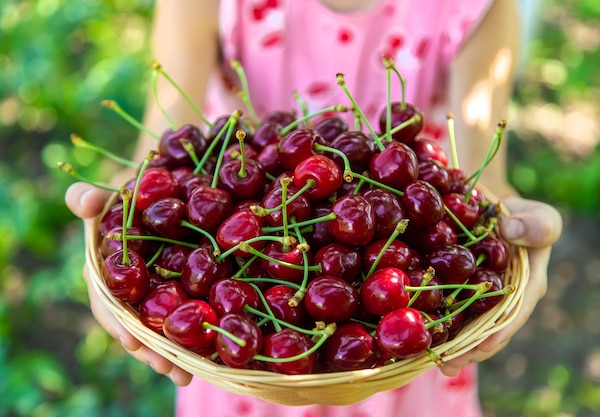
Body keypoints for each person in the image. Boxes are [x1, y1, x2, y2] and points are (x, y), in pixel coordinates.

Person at [65, 1, 563, 416]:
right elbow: (161, 154)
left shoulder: (478, 8)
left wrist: (508, 224)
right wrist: (117, 226)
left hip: (414, 351)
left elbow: (478, 186)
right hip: (244, 365)